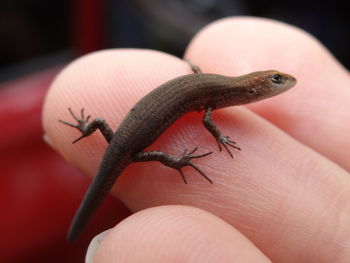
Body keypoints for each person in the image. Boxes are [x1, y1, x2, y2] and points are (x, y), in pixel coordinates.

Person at [42, 17, 350, 262]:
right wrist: (181, 160)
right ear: (256, 87)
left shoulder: (221, 88)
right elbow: (206, 118)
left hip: (123, 141)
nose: (281, 83)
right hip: (132, 149)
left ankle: (87, 129)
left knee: (100, 124)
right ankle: (170, 162)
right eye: (276, 80)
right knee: (154, 157)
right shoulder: (222, 92)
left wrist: (88, 127)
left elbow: (203, 101)